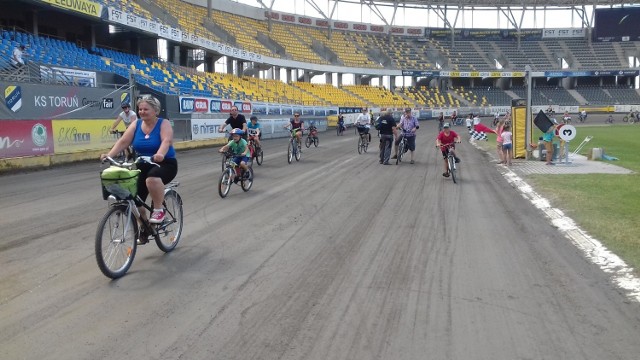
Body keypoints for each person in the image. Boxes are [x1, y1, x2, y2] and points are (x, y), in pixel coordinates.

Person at [100, 96, 177, 225]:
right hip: (142, 164)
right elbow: (124, 141)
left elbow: (166, 141)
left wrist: (160, 154)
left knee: (152, 179)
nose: (141, 112)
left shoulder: (164, 123)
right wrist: (109, 155)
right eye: (140, 109)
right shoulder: (136, 124)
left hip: (164, 163)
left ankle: (159, 209)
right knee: (135, 199)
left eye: (145, 109)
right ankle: (144, 227)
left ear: (155, 110)